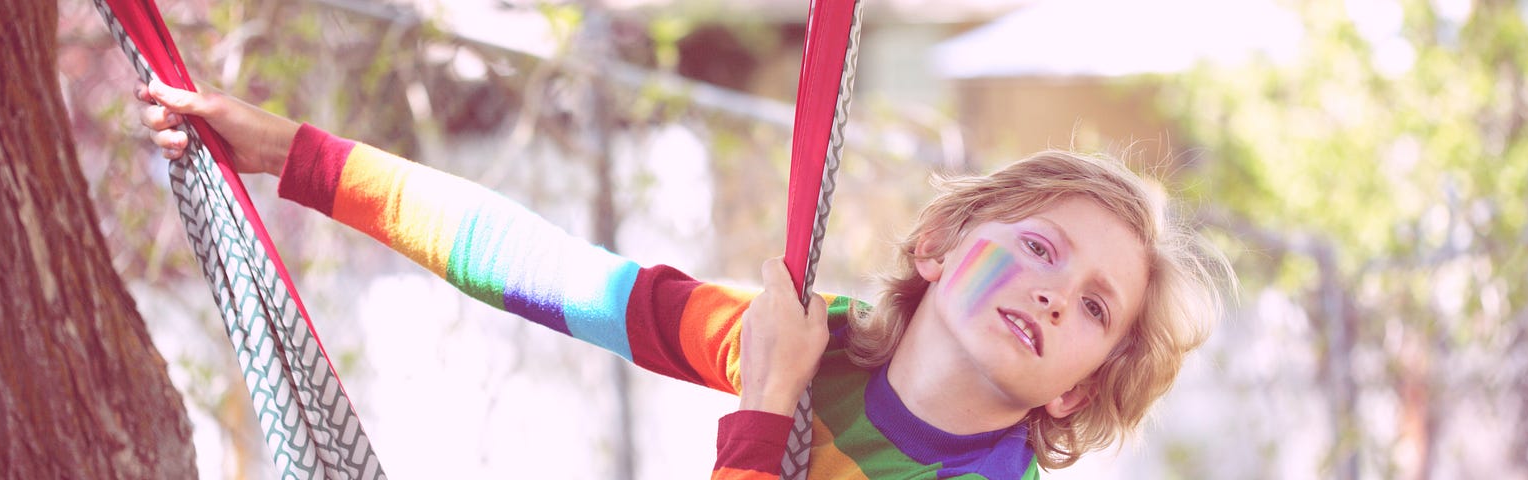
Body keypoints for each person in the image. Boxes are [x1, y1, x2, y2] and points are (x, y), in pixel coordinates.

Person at [135, 77, 1231, 479]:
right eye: (1037, 246)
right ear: (939, 249)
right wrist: (297, 154)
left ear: (1075, 391)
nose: (1051, 290)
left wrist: (764, 407)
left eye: (1094, 306)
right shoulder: (826, 343)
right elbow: (544, 270)